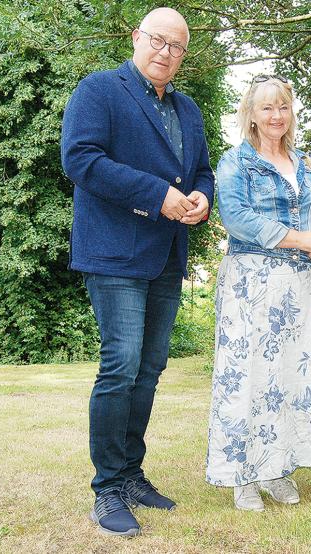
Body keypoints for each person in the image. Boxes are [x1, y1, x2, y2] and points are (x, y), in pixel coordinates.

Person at [61, 8, 213, 537]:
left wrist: (200, 198)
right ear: (137, 38)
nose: (165, 52)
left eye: (176, 46)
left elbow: (201, 172)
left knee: (148, 371)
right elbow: (79, 160)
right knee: (120, 367)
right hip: (115, 255)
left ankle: (130, 475)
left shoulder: (188, 109)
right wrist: (159, 196)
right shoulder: (100, 90)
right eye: (157, 40)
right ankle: (107, 489)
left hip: (167, 257)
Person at [205, 75, 311, 512]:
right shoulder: (235, 162)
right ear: (251, 115)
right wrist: (302, 240)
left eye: (282, 106)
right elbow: (237, 217)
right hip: (254, 284)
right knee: (250, 377)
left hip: (301, 285)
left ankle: (278, 469)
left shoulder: (304, 163)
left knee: (288, 378)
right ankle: (243, 476)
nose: (275, 115)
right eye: (266, 108)